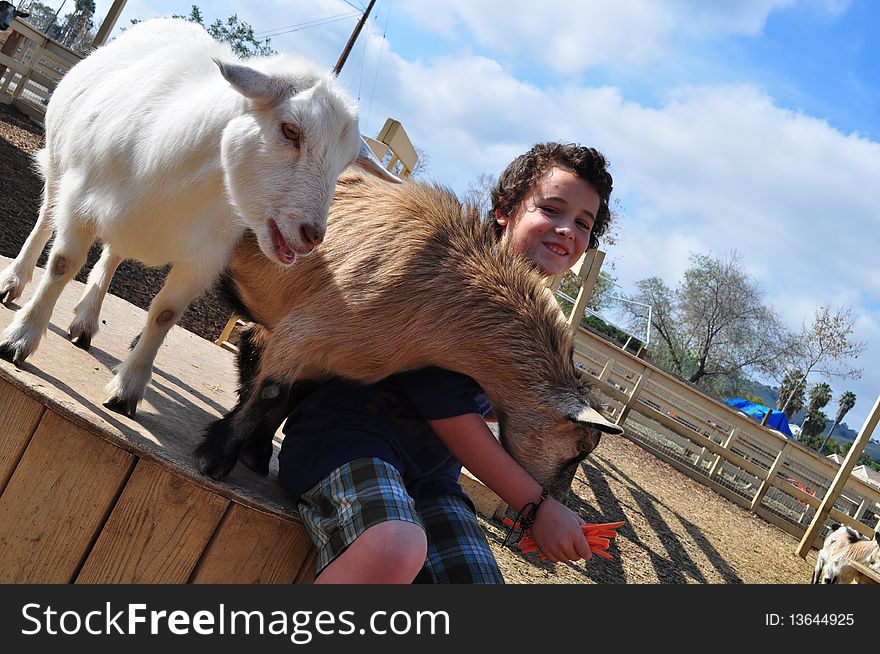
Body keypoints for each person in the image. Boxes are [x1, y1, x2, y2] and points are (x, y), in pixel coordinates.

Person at [277, 142, 614, 583]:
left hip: (431, 478)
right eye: (551, 209)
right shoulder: (458, 283)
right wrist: (535, 507)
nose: (567, 229)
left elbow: (486, 402)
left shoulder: (536, 314)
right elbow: (446, 408)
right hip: (347, 442)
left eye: (583, 223)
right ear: (504, 210)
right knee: (394, 546)